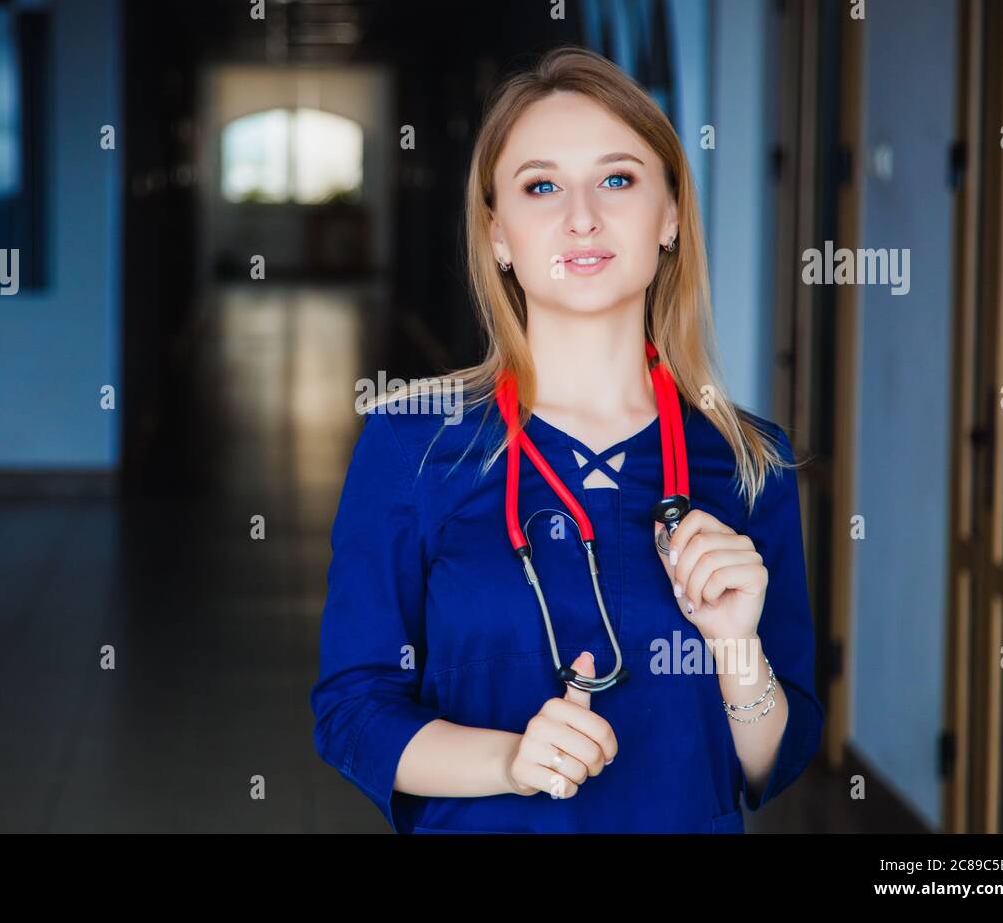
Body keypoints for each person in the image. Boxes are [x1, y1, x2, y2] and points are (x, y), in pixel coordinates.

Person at [309, 45, 823, 833]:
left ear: (671, 217)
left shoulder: (748, 461)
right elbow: (350, 709)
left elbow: (768, 764)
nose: (581, 216)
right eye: (541, 185)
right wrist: (509, 762)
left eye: (617, 179)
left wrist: (736, 646)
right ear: (499, 235)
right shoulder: (412, 444)